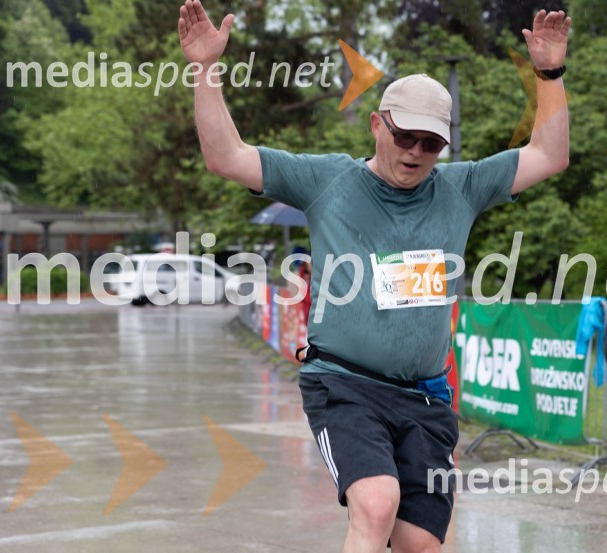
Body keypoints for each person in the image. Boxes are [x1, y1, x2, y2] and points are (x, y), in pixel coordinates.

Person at [179, 1, 570, 550]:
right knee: (376, 500)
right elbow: (226, 156)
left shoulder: (461, 187)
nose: (415, 152)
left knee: (421, 544)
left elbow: (549, 154)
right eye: (405, 135)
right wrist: (205, 69)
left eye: (431, 143)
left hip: (426, 398)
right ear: (377, 124)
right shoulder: (327, 181)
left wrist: (549, 74)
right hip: (345, 384)